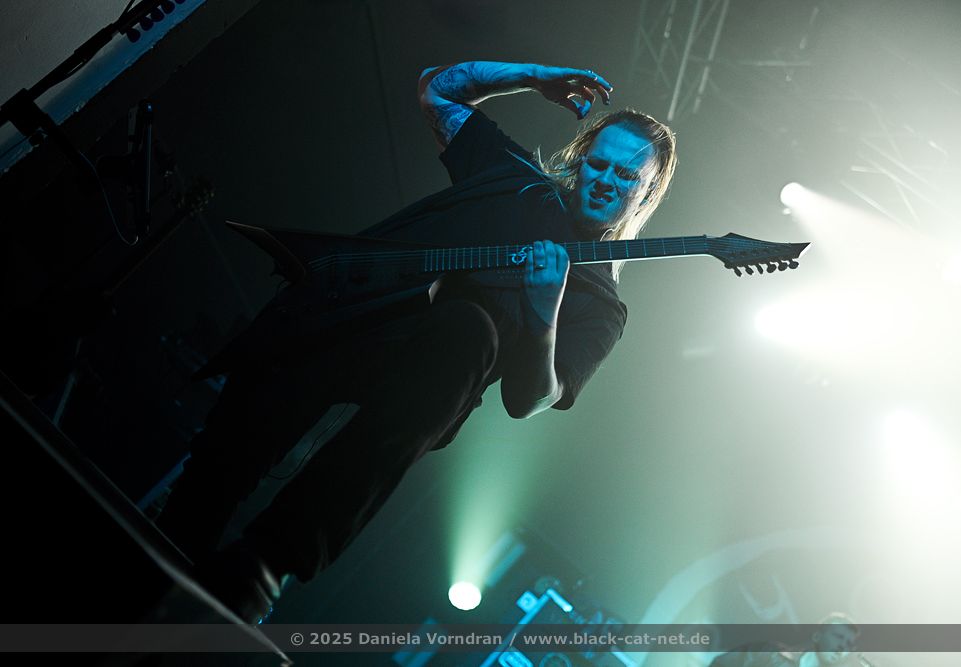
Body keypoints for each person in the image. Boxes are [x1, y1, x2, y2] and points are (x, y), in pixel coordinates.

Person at [154, 60, 678, 623]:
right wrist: (530, 78)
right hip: (354, 324)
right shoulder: (514, 181)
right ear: (581, 159)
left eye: (627, 176)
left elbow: (528, 400)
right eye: (599, 164)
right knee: (204, 492)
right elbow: (437, 92)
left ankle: (268, 561)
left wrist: (544, 312)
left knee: (468, 328)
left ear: (648, 191)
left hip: (429, 380)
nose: (606, 181)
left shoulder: (600, 303)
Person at [709, 613, 861, 667]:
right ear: (817, 636)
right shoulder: (769, 654)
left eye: (849, 644)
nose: (842, 646)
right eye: (838, 637)